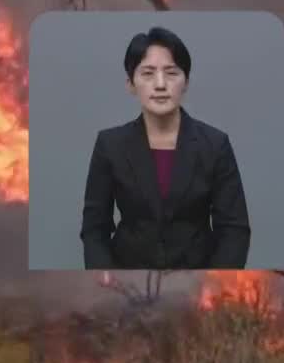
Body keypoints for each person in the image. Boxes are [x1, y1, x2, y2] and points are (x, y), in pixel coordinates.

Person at [80, 26, 251, 269]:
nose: (160, 84)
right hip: (128, 274)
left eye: (171, 73)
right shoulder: (110, 145)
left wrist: (212, 282)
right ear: (130, 83)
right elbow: (94, 230)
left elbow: (235, 230)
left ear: (186, 82)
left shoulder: (215, 144)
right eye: (147, 73)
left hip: (199, 277)